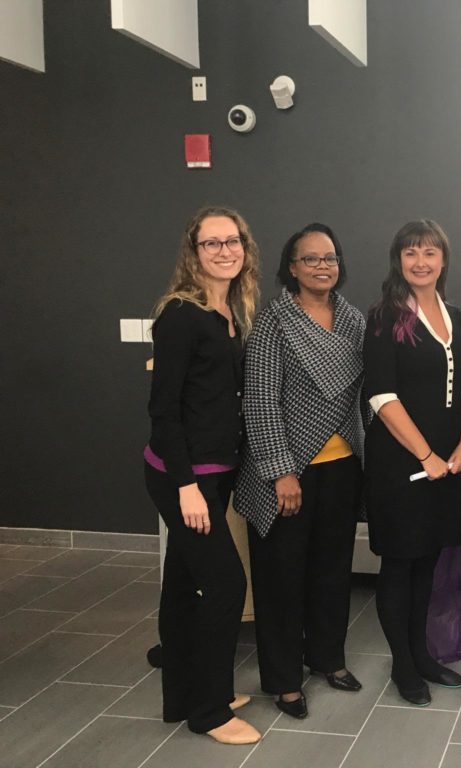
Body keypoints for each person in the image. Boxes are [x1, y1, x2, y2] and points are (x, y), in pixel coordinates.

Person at [234, 223, 366, 720]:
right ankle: (285, 680)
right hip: (287, 471)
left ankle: (328, 658)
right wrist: (280, 471)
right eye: (309, 258)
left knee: (333, 572)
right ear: (291, 268)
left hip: (342, 466)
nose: (321, 266)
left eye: (328, 257)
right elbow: (261, 402)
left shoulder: (353, 320)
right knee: (281, 580)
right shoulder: (274, 322)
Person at [143, 206, 261, 745]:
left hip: (215, 473)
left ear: (244, 247)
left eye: (231, 241)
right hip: (181, 477)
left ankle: (182, 693)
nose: (223, 251)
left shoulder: (230, 309)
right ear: (194, 252)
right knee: (225, 584)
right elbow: (163, 410)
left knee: (178, 586)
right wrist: (187, 484)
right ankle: (209, 711)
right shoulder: (180, 315)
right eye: (211, 243)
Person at [362, 219, 461, 706]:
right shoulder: (386, 317)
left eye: (430, 252)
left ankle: (423, 653)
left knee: (428, 560)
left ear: (443, 260)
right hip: (401, 463)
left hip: (447, 465)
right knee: (400, 563)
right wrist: (426, 455)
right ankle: (403, 666)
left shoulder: (458, 316)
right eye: (411, 253)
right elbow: (381, 396)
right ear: (398, 260)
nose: (421, 261)